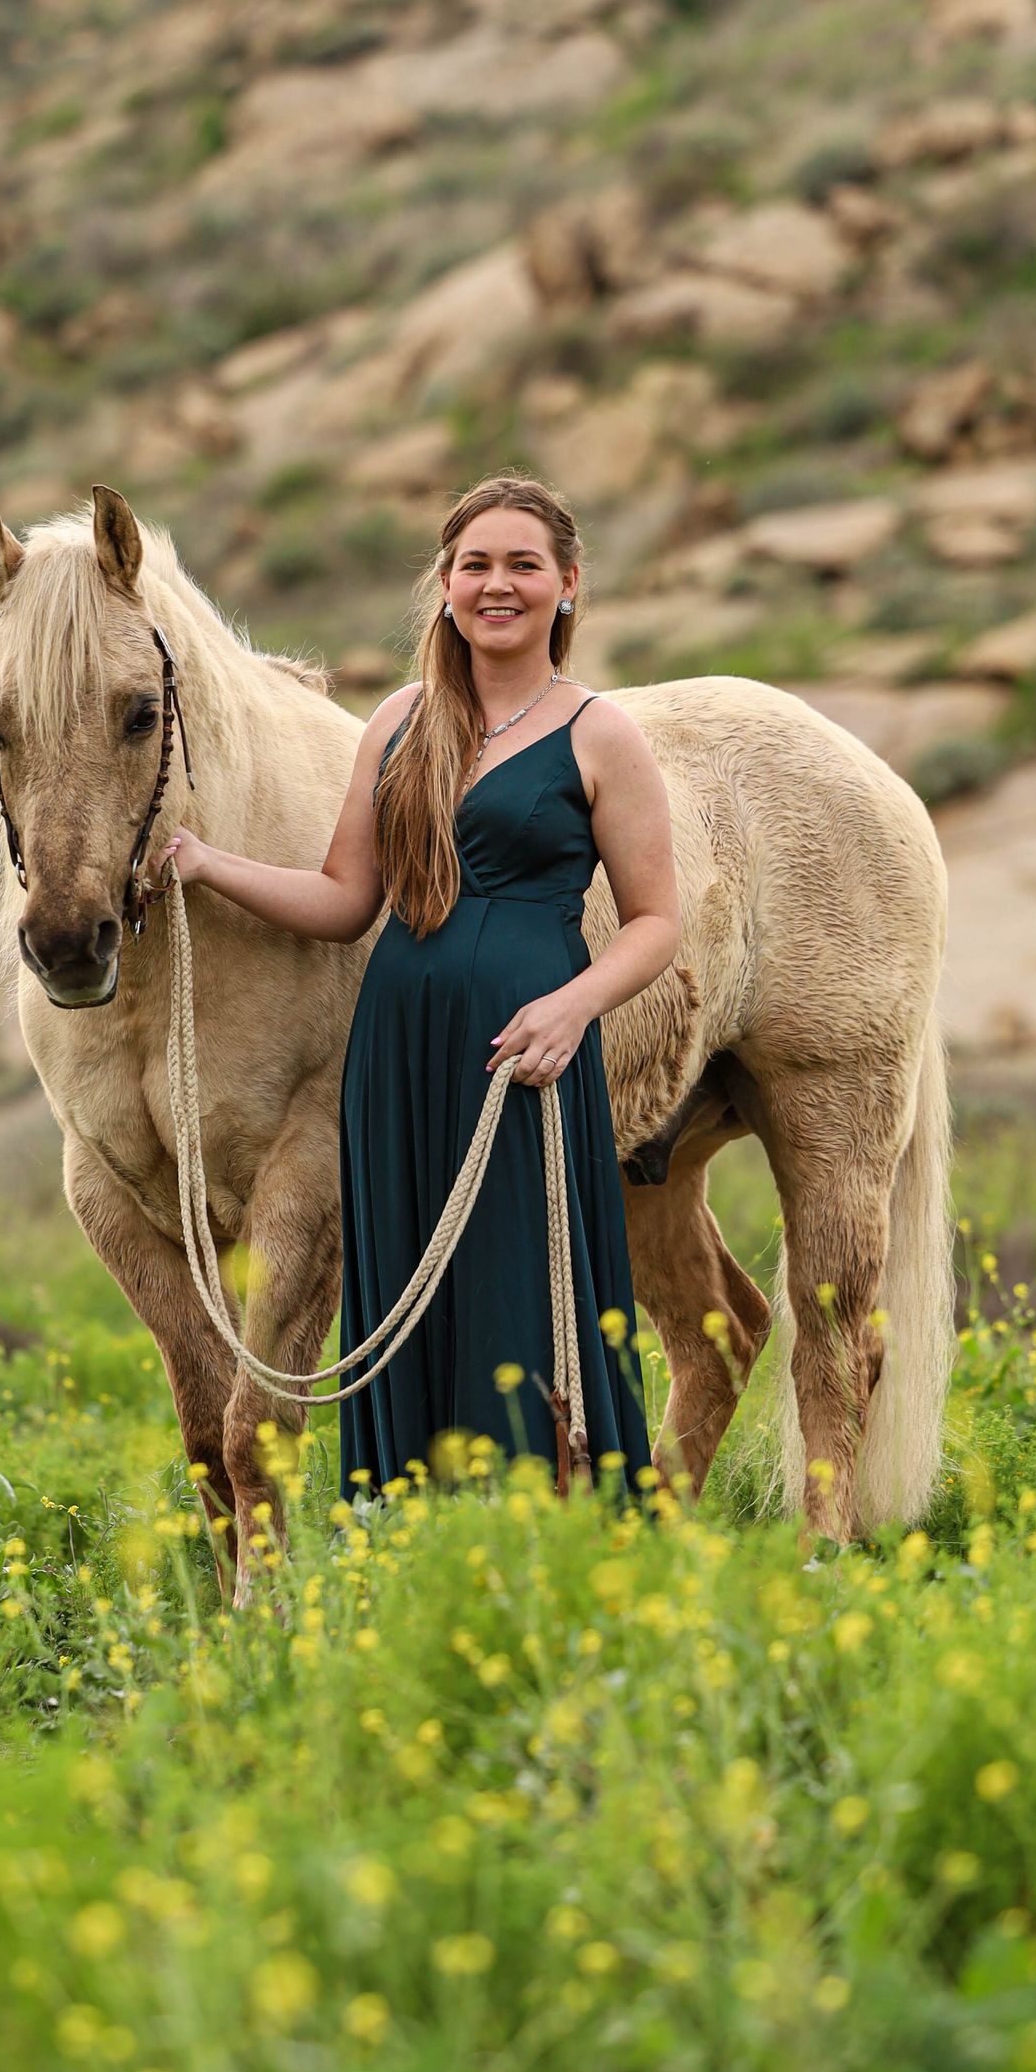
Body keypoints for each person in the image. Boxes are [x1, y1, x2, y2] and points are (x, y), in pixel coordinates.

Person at [163, 474, 680, 1500]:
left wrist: (576, 1006)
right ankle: (424, 1526)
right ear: (445, 585)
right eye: (475, 565)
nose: (499, 585)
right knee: (405, 1291)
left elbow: (658, 922)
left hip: (524, 1054)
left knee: (528, 1296)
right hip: (398, 1052)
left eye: (523, 565)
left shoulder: (598, 734)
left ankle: (559, 1515)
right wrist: (209, 865)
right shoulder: (400, 721)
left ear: (568, 586)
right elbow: (345, 898)